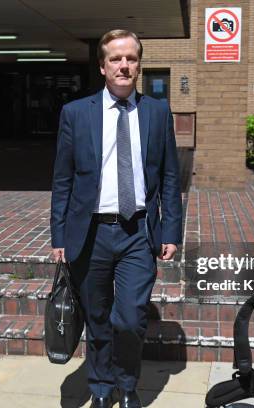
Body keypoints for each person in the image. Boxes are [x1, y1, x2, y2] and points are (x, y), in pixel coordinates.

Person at [50, 29, 182, 408]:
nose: (124, 65)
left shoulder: (157, 112)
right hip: (90, 233)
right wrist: (59, 235)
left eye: (131, 58)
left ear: (139, 64)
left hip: (138, 232)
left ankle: (128, 383)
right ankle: (103, 388)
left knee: (129, 319)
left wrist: (170, 228)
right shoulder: (76, 114)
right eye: (116, 59)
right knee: (98, 319)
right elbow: (62, 180)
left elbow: (170, 177)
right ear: (103, 66)